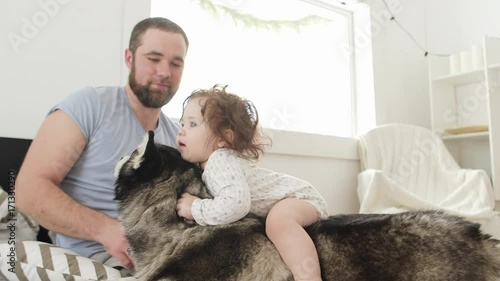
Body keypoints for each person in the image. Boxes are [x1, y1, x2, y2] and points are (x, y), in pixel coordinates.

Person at [16, 17, 189, 273]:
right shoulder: (90, 106)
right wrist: (107, 230)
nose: (165, 71)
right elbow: (28, 191)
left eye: (176, 63)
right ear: (129, 58)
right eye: (153, 59)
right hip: (94, 259)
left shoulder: (179, 138)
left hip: (160, 261)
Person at [175, 84, 329, 281]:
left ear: (223, 138)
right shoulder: (209, 166)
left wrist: (195, 208)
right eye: (182, 124)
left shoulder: (220, 160)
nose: (182, 131)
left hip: (301, 197)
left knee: (278, 222)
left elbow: (236, 204)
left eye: (193, 124)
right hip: (295, 198)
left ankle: (309, 278)